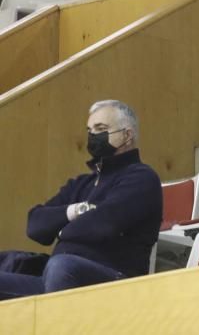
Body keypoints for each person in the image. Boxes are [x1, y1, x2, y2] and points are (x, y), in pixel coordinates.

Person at [0, 100, 162, 299]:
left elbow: (103, 225)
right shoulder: (82, 183)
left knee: (62, 266)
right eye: (90, 130)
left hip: (113, 282)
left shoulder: (141, 178)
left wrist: (60, 227)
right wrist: (75, 211)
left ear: (127, 135)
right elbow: (35, 225)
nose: (93, 136)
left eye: (101, 128)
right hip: (56, 278)